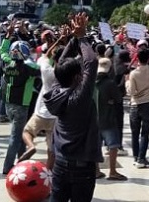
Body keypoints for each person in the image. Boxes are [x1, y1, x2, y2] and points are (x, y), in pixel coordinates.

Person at [44, 13, 103, 202]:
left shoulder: (55, 92)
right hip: (81, 167)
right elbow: (92, 62)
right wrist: (81, 37)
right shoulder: (79, 98)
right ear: (78, 78)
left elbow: (60, 64)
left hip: (60, 162)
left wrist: (74, 40)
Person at [18, 30, 62, 169]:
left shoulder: (46, 70)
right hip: (56, 116)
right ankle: (48, 173)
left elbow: (45, 55)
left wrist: (57, 40)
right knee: (52, 148)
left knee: (27, 132)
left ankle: (31, 146)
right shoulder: (67, 73)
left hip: (41, 112)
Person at [0, 34, 41, 175]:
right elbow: (41, 68)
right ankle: (7, 167)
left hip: (8, 105)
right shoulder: (28, 68)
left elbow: (2, 52)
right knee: (16, 138)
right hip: (21, 106)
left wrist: (7, 38)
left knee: (21, 134)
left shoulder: (7, 63)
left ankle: (21, 162)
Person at [126, 45, 149, 168]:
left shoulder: (133, 74)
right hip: (148, 104)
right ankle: (141, 158)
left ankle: (136, 157)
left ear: (138, 58)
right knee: (145, 133)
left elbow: (131, 92)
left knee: (135, 133)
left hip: (135, 105)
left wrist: (127, 82)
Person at [95, 57, 127, 181]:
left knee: (96, 146)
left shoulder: (91, 81)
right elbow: (118, 99)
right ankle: (112, 171)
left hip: (94, 119)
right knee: (113, 145)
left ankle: (96, 170)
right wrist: (111, 100)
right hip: (108, 118)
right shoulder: (110, 83)